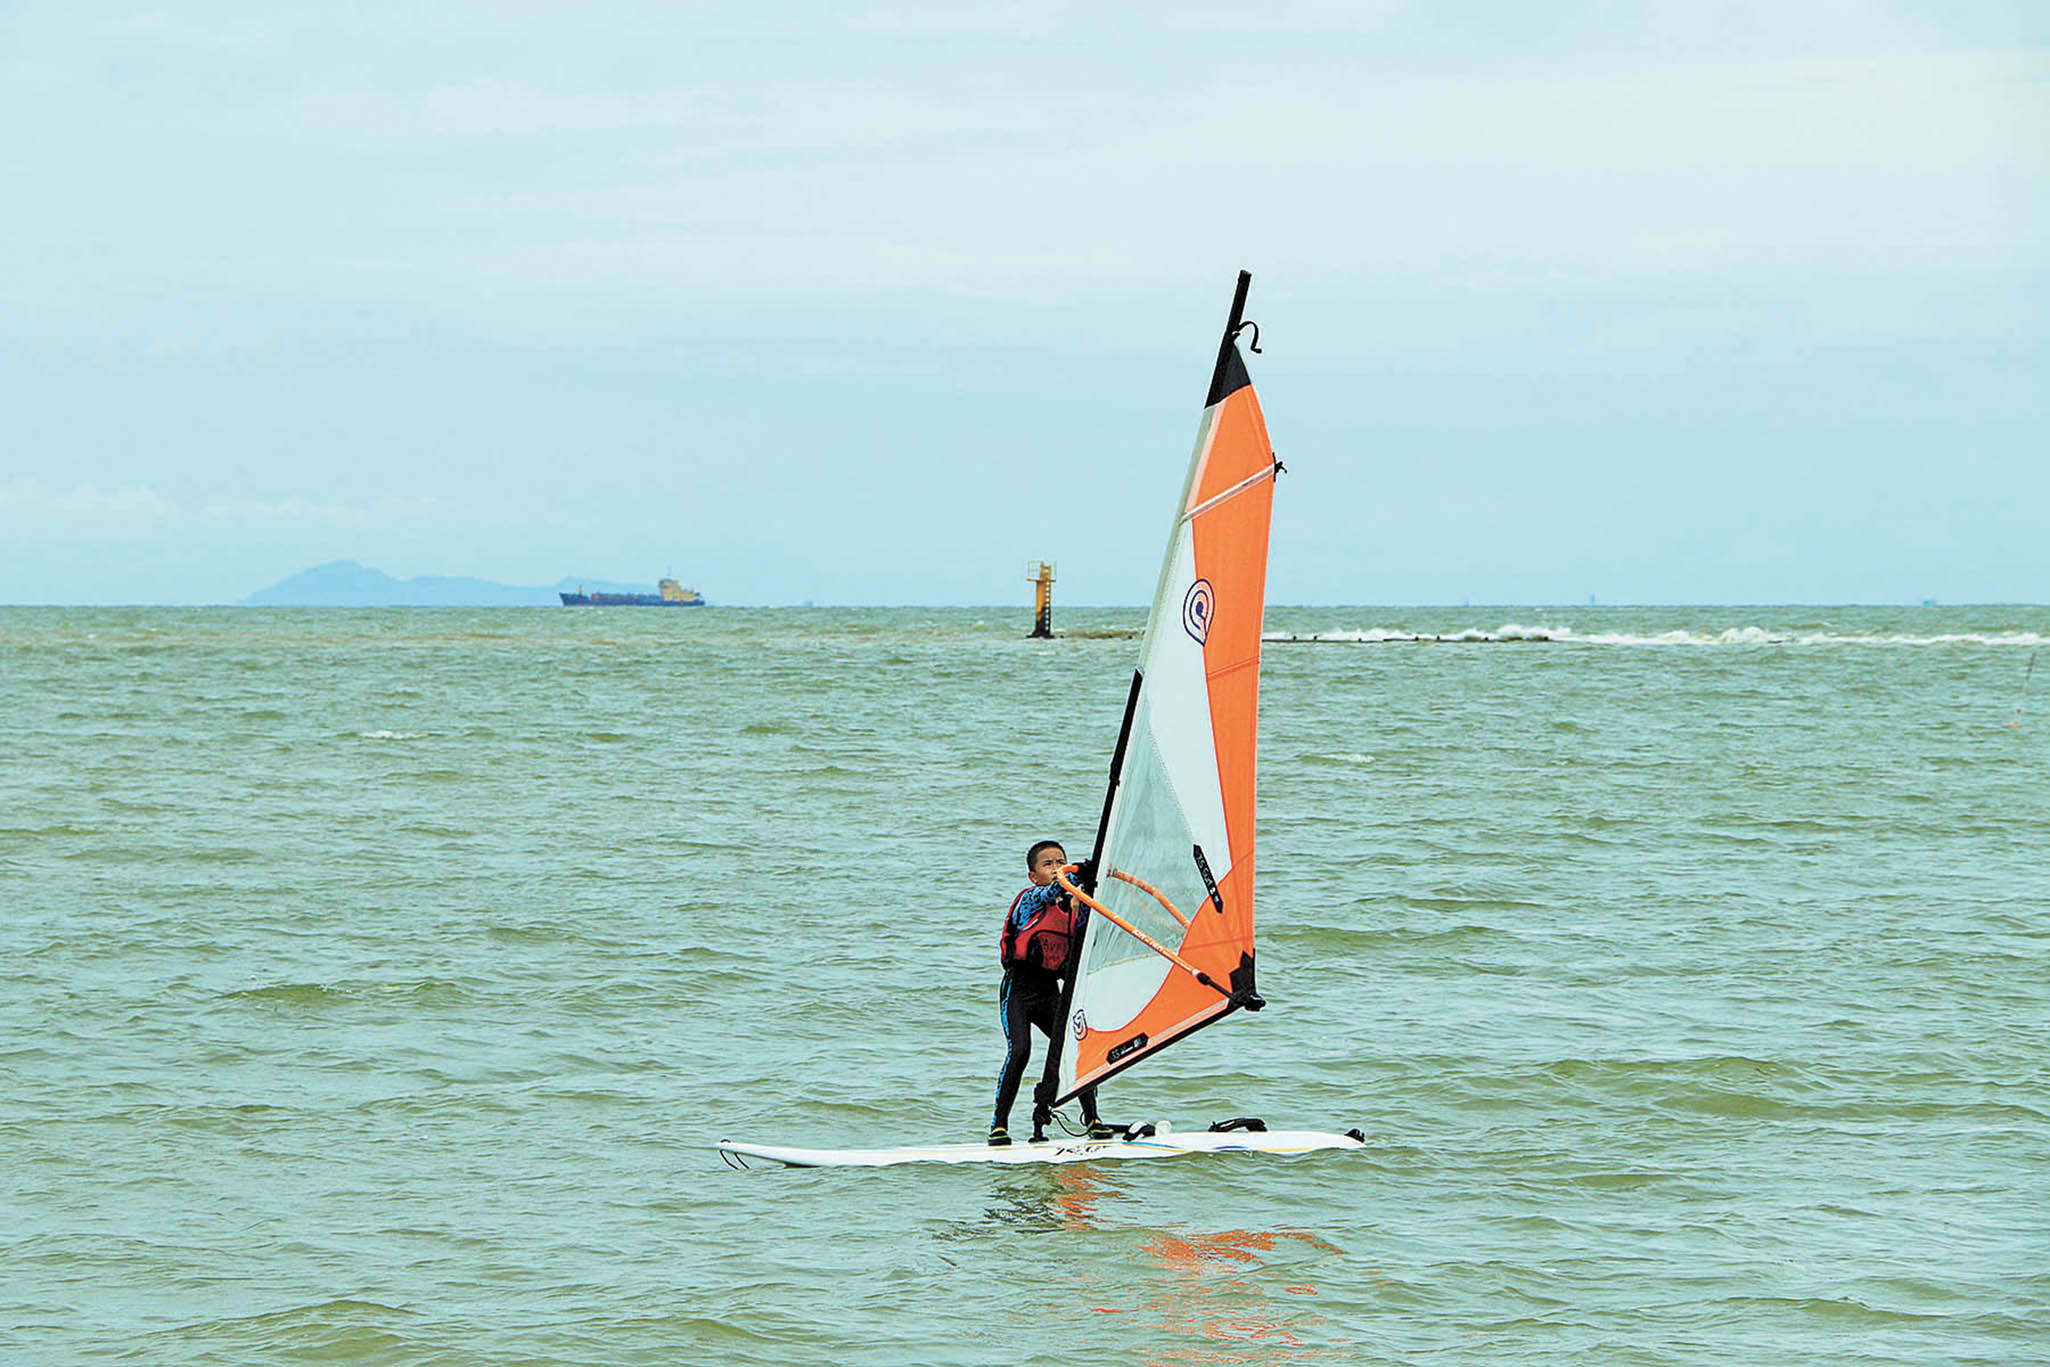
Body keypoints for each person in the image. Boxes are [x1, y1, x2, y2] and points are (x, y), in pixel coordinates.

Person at [990, 839, 1112, 1144]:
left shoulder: (1072, 908)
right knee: (1020, 1051)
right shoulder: (1031, 898)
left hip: (1049, 992)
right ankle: (999, 1125)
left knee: (1077, 1048)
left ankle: (1093, 1119)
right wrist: (1074, 874)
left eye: (1061, 862)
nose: (1056, 868)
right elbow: (1052, 890)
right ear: (1033, 875)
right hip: (1018, 991)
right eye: (1049, 864)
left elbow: (1086, 939)